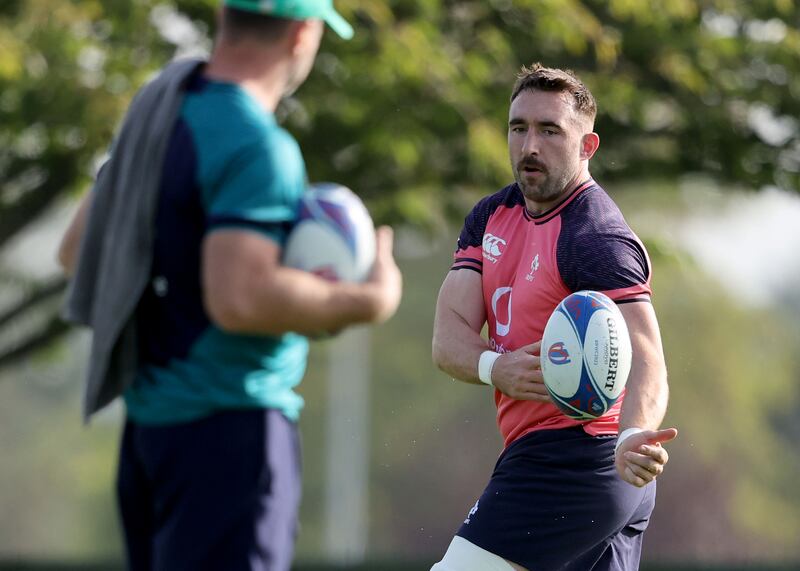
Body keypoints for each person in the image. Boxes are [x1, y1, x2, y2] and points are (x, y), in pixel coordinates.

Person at [57, 2, 402, 570]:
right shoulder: (257, 145)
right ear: (303, 34)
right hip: (230, 434)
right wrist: (368, 300)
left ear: (224, 15)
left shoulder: (158, 111)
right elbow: (240, 299)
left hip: (149, 436)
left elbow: (77, 252)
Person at [430, 63, 678, 571]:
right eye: (518, 128)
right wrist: (494, 367)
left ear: (587, 146)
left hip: (576, 459)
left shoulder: (594, 238)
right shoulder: (490, 216)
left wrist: (634, 434)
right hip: (571, 465)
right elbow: (447, 337)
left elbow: (647, 357)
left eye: (549, 131)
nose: (529, 146)